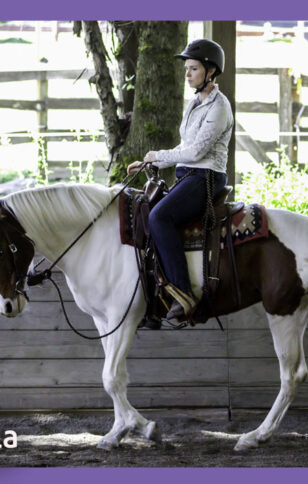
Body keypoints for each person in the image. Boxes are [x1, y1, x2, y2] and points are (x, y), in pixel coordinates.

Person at [127, 38, 234, 321]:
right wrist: (151, 161)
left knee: (159, 217)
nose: (187, 74)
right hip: (188, 175)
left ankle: (183, 292)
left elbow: (197, 152)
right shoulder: (193, 104)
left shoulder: (219, 107)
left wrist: (156, 156)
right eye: (186, 68)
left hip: (206, 177)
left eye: (193, 68)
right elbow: (183, 147)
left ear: (211, 71)